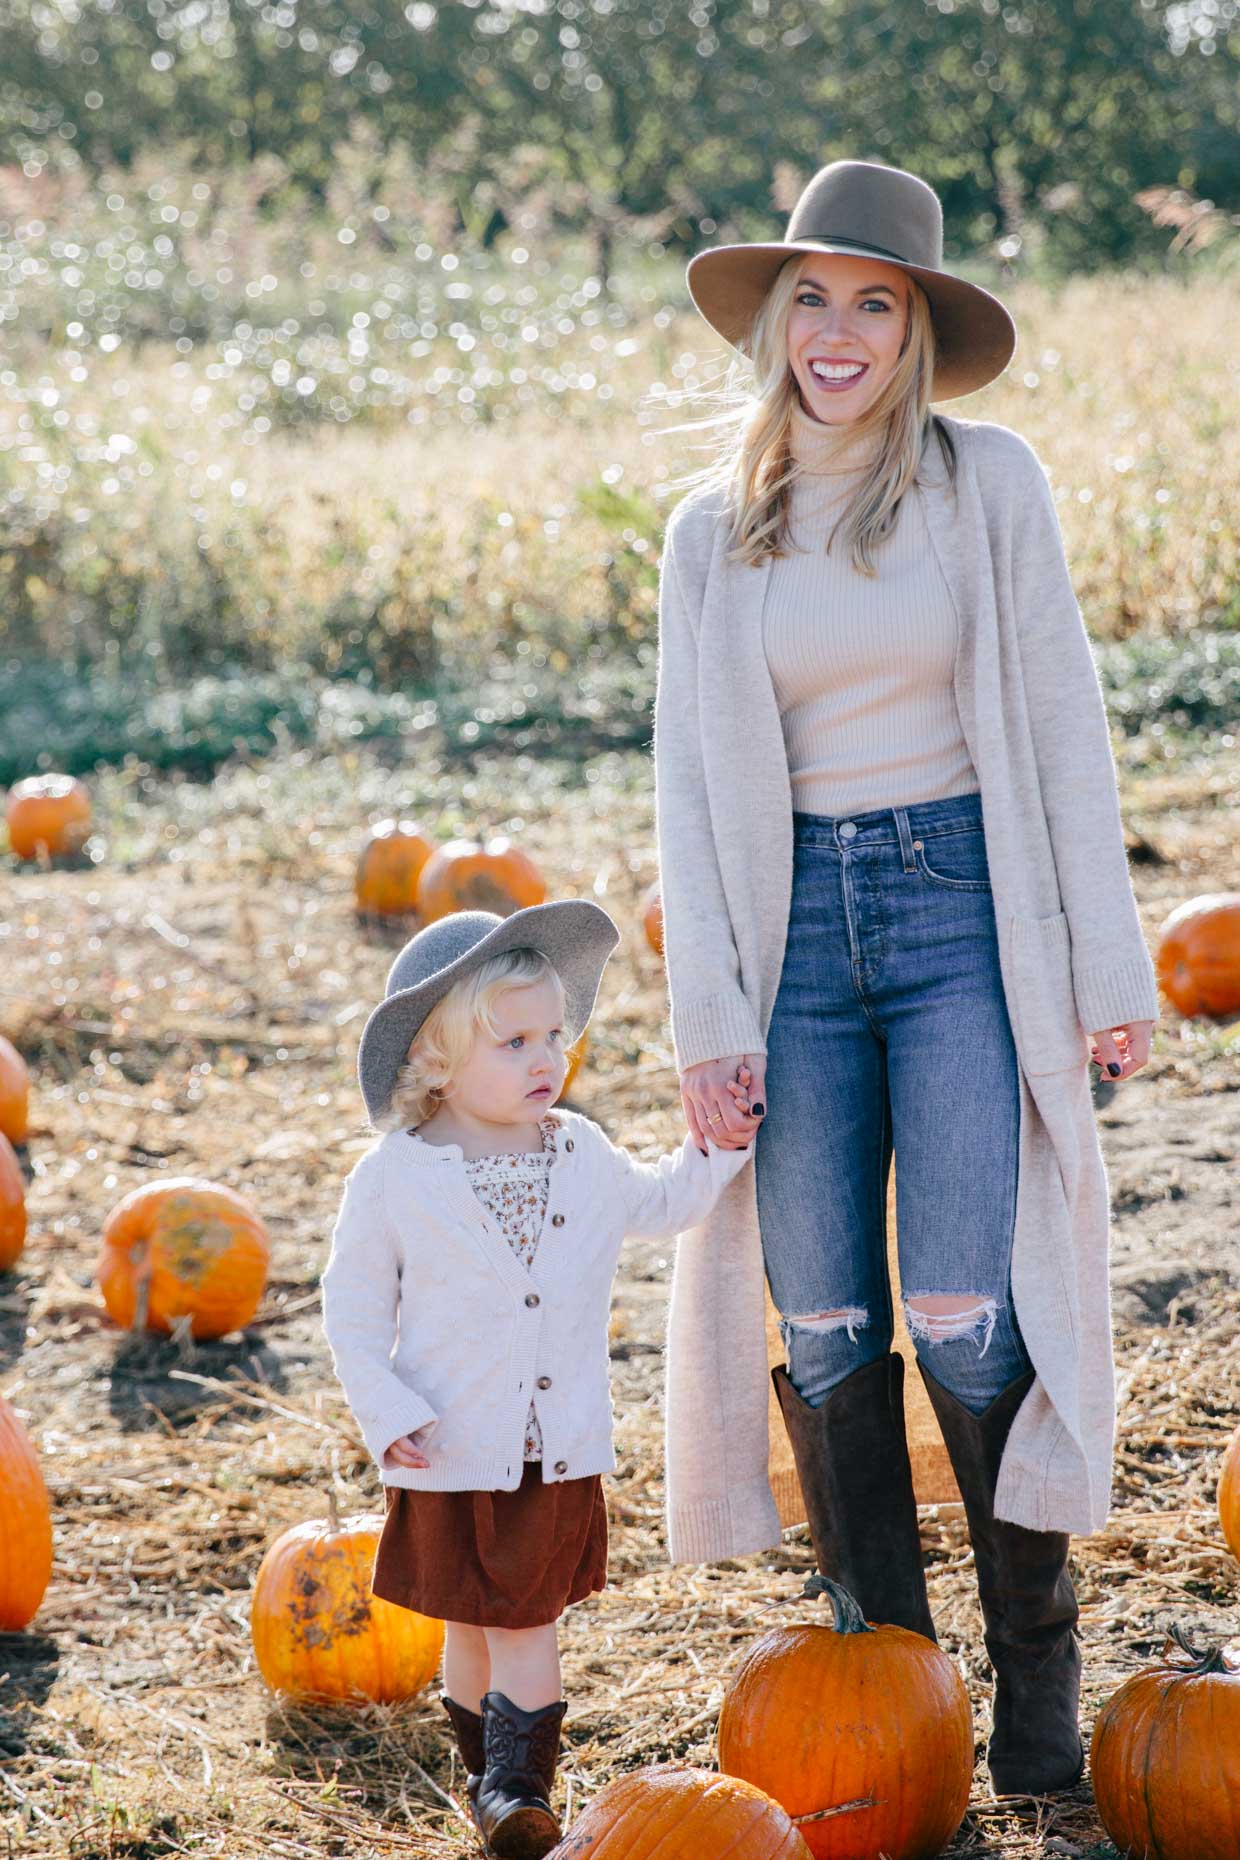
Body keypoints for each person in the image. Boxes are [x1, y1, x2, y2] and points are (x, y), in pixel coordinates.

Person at [653, 159, 1158, 1798]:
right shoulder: (712, 534)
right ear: (778, 316)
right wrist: (709, 1026)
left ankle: (1032, 1665)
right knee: (818, 1323)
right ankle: (893, 1681)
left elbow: (1066, 729)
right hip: (792, 939)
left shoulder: (984, 484)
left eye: (877, 302)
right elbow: (685, 791)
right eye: (816, 295)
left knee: (959, 1306)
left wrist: (1104, 962)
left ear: (921, 329)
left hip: (960, 919)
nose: (840, 331)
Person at [320, 901, 752, 1857]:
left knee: (522, 1623)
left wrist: (719, 1146)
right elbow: (350, 1309)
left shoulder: (580, 1153)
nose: (544, 1058)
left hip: (547, 1455)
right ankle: (488, 1780)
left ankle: (517, 1788)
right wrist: (385, 1410)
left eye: (553, 1034)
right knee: (471, 1624)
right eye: (512, 1041)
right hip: (447, 1443)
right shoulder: (394, 1177)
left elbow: (665, 1203)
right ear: (436, 1059)